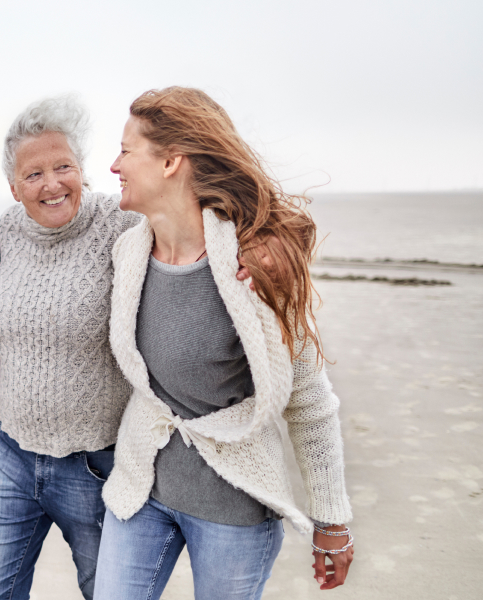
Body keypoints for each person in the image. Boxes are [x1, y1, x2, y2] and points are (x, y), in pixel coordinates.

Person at [0, 96, 266, 600]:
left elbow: (196, 217)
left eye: (63, 166)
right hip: (10, 452)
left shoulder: (123, 226)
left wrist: (265, 241)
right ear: (13, 187)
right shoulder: (8, 232)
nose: (52, 183)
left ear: (82, 171)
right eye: (34, 174)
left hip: (94, 463)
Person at [95, 87, 354, 600]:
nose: (111, 165)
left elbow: (308, 402)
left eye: (125, 151)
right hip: (140, 489)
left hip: (234, 508)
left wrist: (332, 520)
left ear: (172, 161)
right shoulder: (128, 248)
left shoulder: (254, 266)